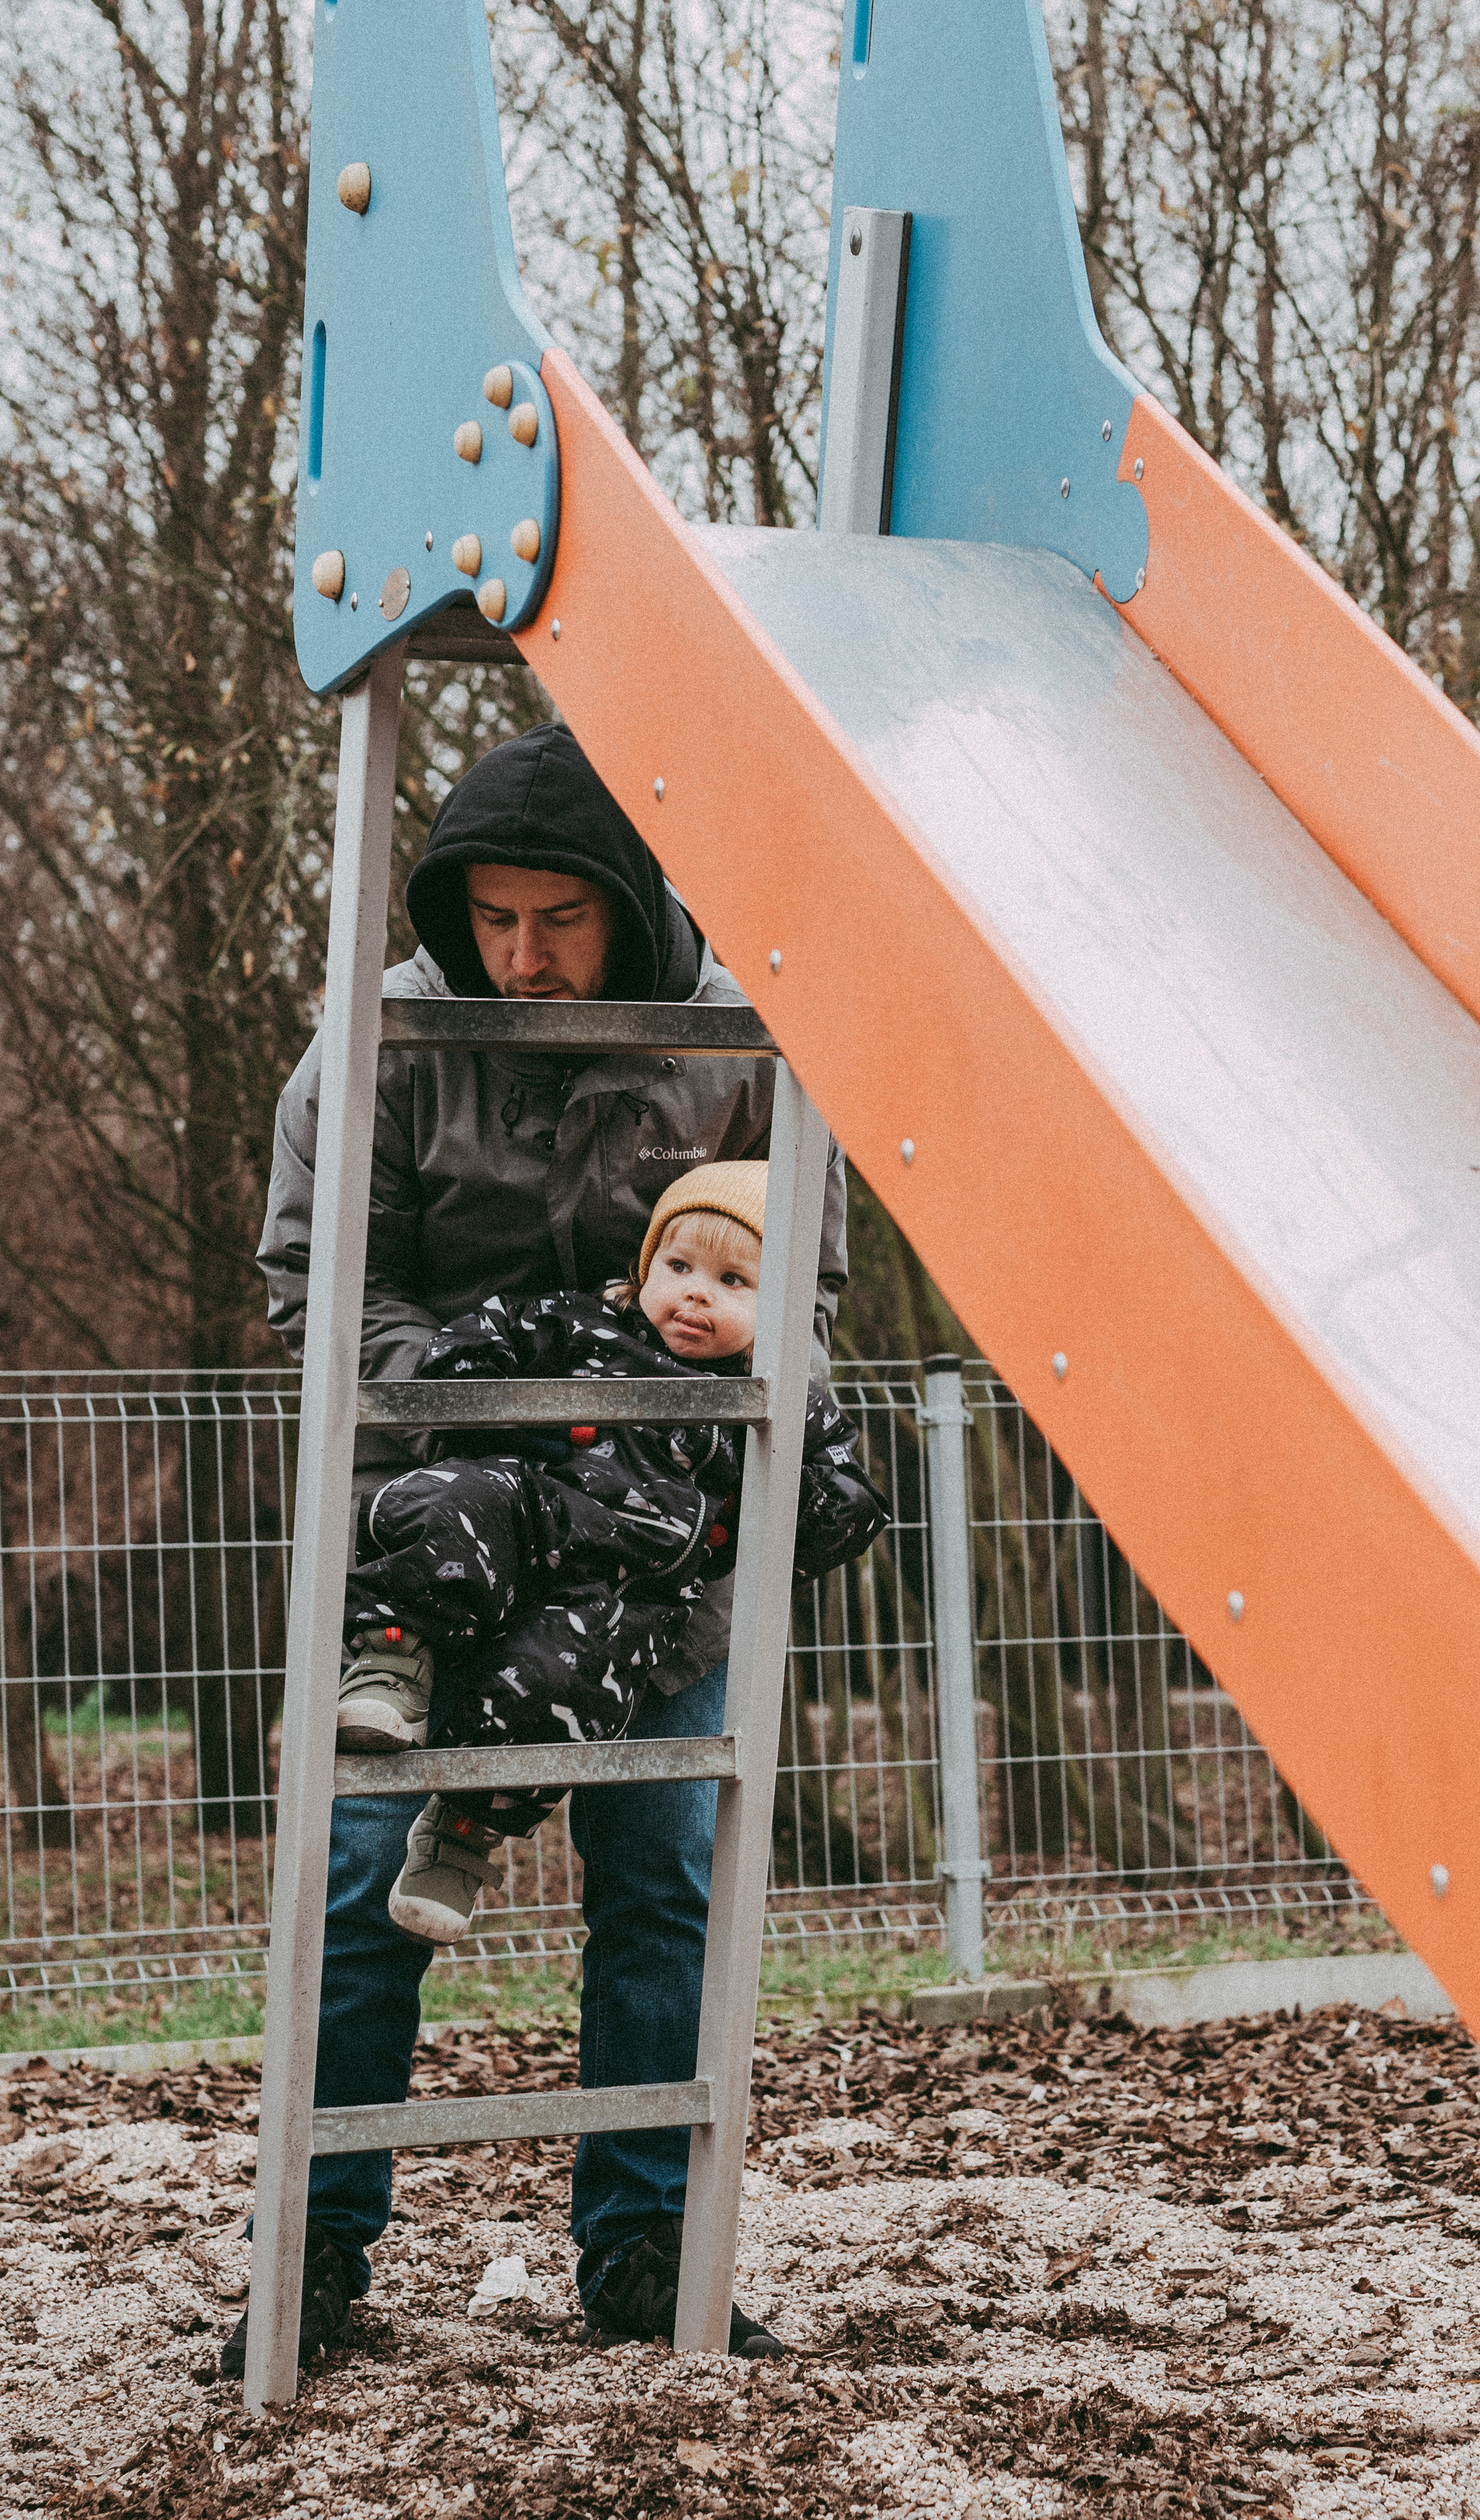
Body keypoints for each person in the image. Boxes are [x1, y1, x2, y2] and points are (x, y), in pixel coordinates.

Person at [230, 724, 849, 2378]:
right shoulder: (382, 1039)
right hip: (443, 1532)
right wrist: (500, 1415)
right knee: (359, 1877)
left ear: (625, 906)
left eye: (558, 920)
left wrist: (677, 1441)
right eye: (490, 919)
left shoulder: (736, 1044)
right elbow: (320, 1285)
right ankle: (313, 2249)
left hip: (656, 1545)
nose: (518, 957)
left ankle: (645, 2246)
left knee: (662, 1871)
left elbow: (802, 1285)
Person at [333, 1160, 887, 1943]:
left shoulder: (775, 1393)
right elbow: (487, 1334)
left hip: (628, 1583)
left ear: (782, 1306)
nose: (695, 1294)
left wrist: (774, 1513)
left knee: (565, 1683)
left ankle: (463, 1835)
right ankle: (393, 1663)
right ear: (646, 1267)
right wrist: (481, 1402)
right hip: (537, 1506)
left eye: (733, 1281)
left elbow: (851, 1498)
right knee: (454, 1500)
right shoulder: (587, 1323)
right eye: (678, 1266)